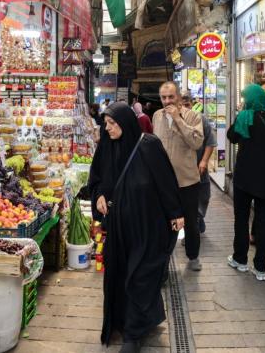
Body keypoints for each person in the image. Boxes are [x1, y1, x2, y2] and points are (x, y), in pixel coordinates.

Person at [88, 103, 184, 352]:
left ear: (126, 122)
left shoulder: (148, 146)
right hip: (118, 229)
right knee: (120, 275)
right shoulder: (106, 147)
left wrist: (175, 213)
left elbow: (166, 181)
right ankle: (132, 321)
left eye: (112, 123)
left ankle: (133, 334)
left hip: (147, 226)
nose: (107, 128)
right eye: (105, 123)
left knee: (140, 276)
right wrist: (99, 196)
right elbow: (97, 179)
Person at [226, 84, 265, 281]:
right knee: (263, 221)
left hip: (244, 179)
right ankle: (260, 267)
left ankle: (240, 259)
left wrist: (240, 114)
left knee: (241, 219)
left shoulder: (245, 117)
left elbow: (231, 137)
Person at [152, 81, 205, 271]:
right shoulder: (157, 116)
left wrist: (178, 119)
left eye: (171, 97)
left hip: (187, 180)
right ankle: (163, 259)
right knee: (162, 221)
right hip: (163, 182)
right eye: (163, 97)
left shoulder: (193, 116)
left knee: (190, 221)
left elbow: (196, 143)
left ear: (179, 98)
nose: (167, 101)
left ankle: (193, 256)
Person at [181, 92, 216, 234]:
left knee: (203, 196)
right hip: (182, 171)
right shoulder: (175, 121)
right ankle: (191, 229)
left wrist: (204, 161)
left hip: (199, 169)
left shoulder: (201, 119)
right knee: (185, 201)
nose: (185, 108)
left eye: (187, 105)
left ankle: (198, 218)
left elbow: (210, 142)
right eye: (182, 105)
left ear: (192, 104)